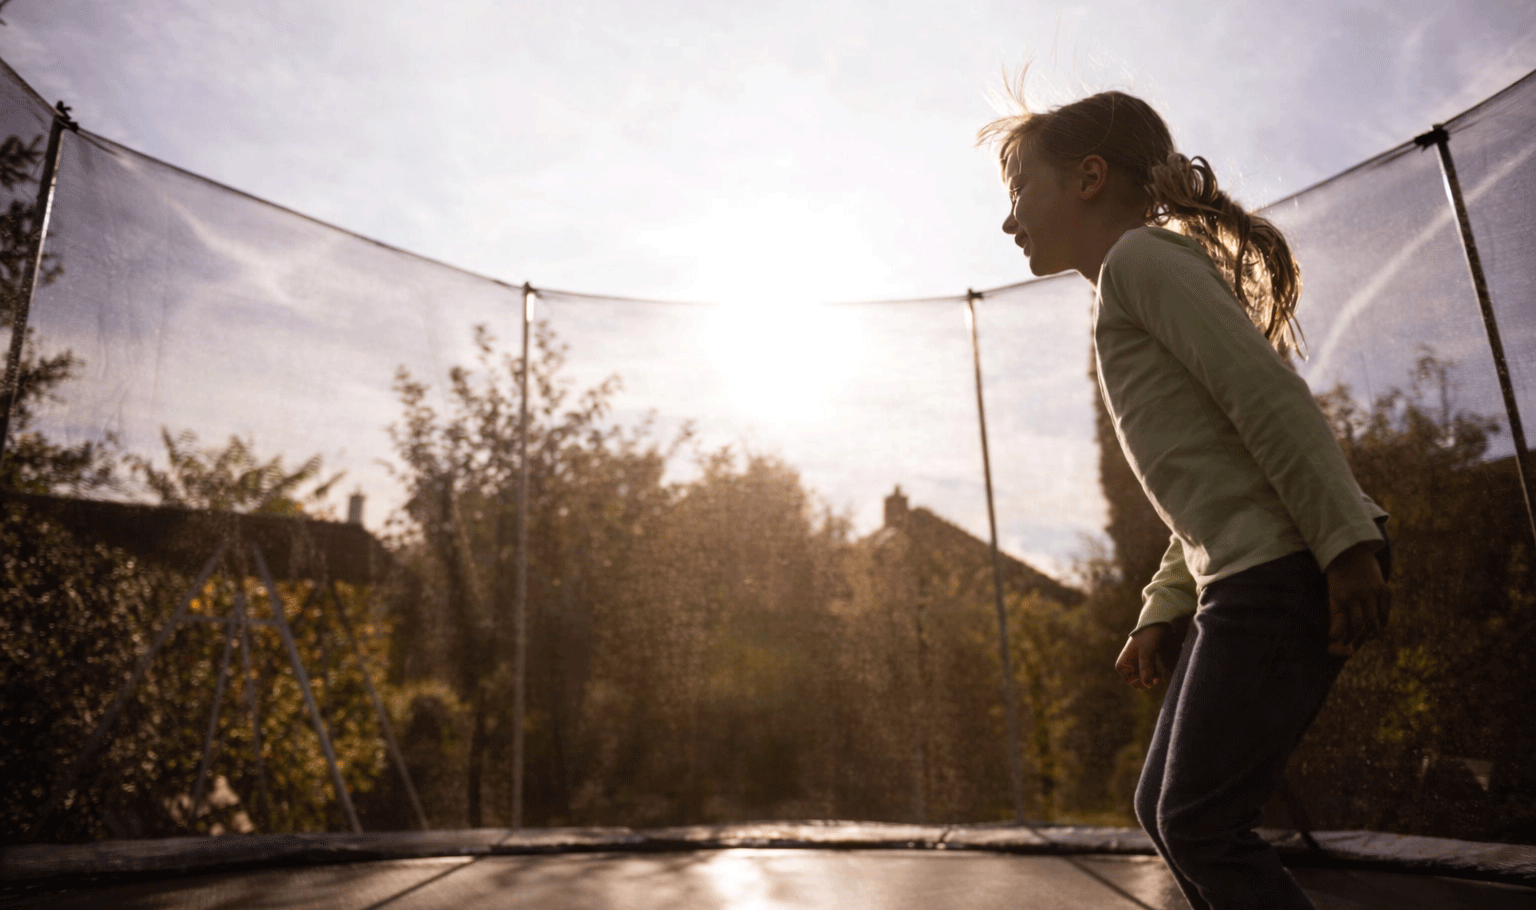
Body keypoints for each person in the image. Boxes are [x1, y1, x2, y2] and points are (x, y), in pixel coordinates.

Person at [978, 85, 1393, 910]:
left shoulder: (1140, 261)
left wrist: (1344, 543)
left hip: (1283, 568)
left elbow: (1265, 398)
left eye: (1020, 190)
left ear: (1088, 177)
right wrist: (1160, 606)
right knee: (1164, 812)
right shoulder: (1128, 283)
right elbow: (1208, 488)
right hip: (1248, 572)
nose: (1008, 218)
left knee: (1199, 820)